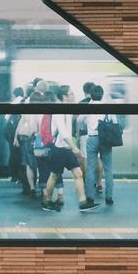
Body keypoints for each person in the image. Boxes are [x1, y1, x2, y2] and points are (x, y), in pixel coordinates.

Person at [42, 84, 98, 213]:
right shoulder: (59, 111)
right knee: (54, 175)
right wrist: (74, 147)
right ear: (65, 97)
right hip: (60, 149)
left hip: (66, 148)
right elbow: (63, 132)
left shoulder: (67, 109)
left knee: (78, 174)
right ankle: (47, 201)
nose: (74, 96)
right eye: (71, 94)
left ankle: (83, 202)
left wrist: (72, 147)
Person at [84, 84, 117, 207]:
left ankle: (90, 198)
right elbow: (115, 122)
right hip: (105, 140)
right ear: (102, 95)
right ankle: (109, 197)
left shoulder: (88, 106)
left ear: (91, 95)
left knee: (90, 169)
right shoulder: (107, 106)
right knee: (108, 169)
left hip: (92, 139)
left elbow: (78, 120)